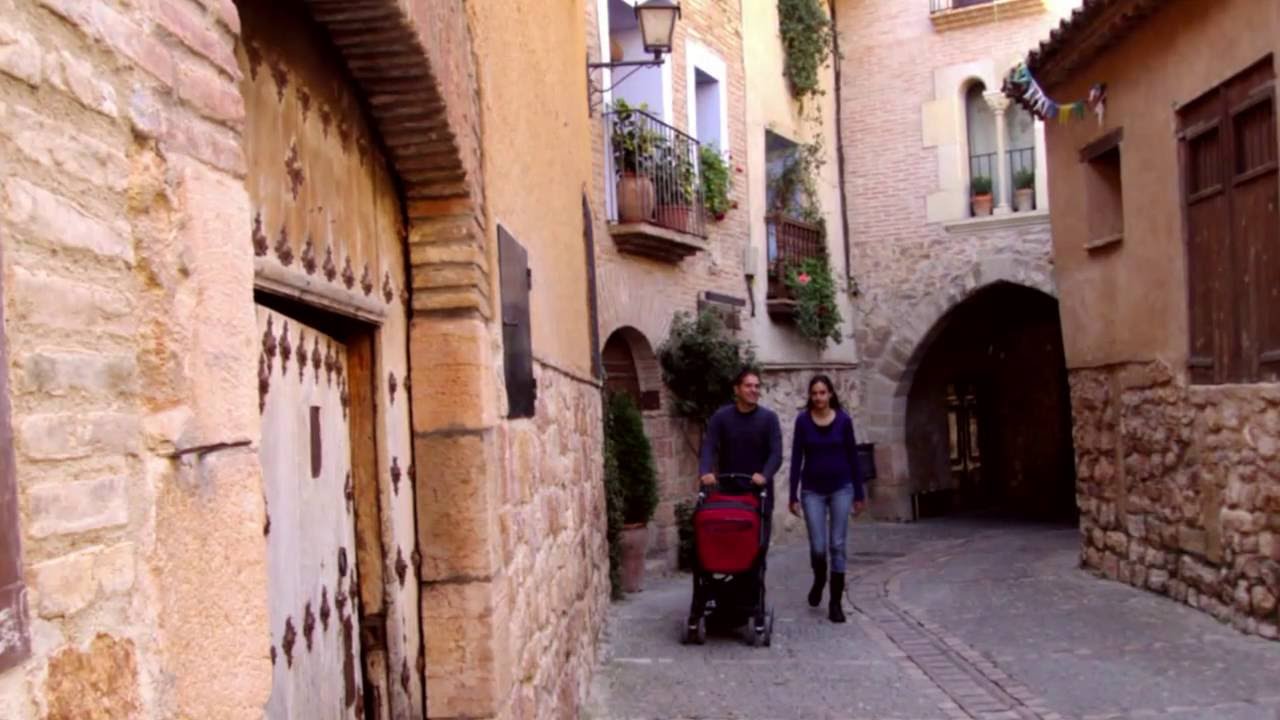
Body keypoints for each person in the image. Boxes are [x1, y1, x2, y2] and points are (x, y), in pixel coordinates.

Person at [787, 375, 867, 623]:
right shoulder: (803, 422)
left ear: (830, 394)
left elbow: (854, 457)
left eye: (823, 392)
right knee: (818, 547)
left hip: (841, 488)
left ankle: (835, 602)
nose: (819, 397)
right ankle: (820, 578)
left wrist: (859, 493)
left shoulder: (843, 421)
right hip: (812, 490)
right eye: (814, 393)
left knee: (838, 545)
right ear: (810, 396)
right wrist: (792, 494)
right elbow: (796, 457)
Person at [698, 368, 783, 548]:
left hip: (759, 494)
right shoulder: (721, 417)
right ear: (736, 389)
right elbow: (709, 445)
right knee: (733, 547)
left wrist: (765, 475)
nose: (754, 390)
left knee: (757, 549)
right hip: (730, 493)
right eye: (748, 386)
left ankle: (756, 576)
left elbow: (776, 454)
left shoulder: (769, 419)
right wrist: (705, 471)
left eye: (757, 386)